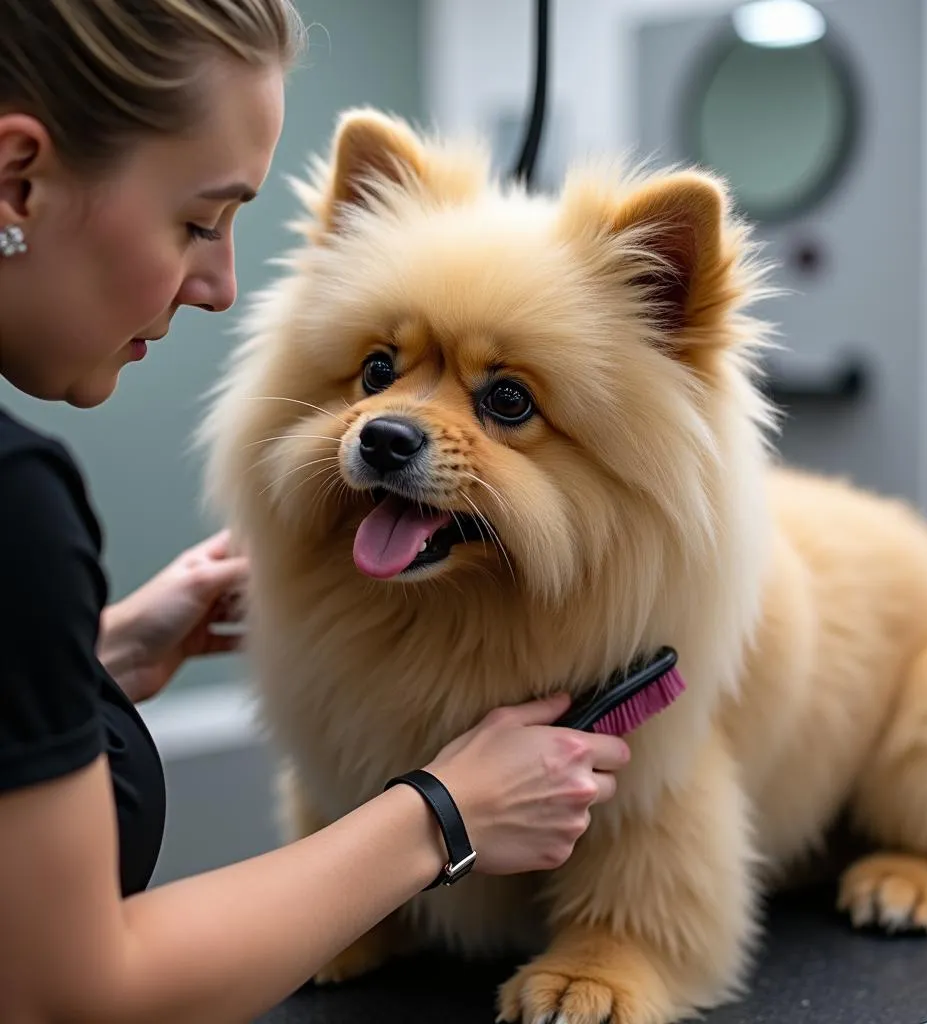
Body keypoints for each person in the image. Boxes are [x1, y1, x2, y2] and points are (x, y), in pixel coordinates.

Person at [0, 3, 633, 1021]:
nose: (221, 285)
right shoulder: (16, 507)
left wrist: (98, 659)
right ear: (17, 177)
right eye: (200, 221)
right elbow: (70, 993)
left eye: (502, 400)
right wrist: (446, 812)